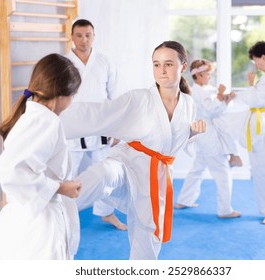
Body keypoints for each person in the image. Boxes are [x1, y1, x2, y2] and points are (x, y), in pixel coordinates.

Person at [60, 41, 206, 260]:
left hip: (155, 178)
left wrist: (192, 133)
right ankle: (54, 209)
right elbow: (99, 113)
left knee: (148, 238)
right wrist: (47, 119)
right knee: (103, 174)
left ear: (183, 67)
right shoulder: (140, 99)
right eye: (156, 65)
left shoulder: (188, 103)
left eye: (168, 64)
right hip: (127, 164)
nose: (161, 71)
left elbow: (173, 141)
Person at [0, 54, 83, 259]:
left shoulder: (31, 116)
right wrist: (60, 187)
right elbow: (8, 170)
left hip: (25, 222)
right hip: (39, 230)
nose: (72, 102)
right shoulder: (46, 122)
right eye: (73, 96)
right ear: (61, 95)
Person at [66, 19, 126, 230]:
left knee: (106, 171)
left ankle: (106, 212)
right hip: (72, 127)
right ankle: (63, 215)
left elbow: (115, 96)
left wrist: (118, 127)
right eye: (79, 35)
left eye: (88, 35)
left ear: (94, 36)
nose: (84, 40)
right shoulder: (63, 62)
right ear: (71, 36)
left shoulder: (104, 61)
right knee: (67, 173)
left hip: (101, 125)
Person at [175, 59, 241, 219]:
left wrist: (225, 100)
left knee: (197, 169)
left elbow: (215, 109)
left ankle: (184, 200)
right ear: (198, 75)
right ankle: (225, 210)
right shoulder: (197, 92)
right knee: (223, 173)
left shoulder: (204, 90)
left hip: (204, 134)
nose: (210, 77)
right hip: (208, 135)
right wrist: (220, 97)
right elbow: (211, 110)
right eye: (208, 74)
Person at [230, 41, 265, 224]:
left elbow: (257, 99)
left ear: (264, 57)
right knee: (259, 167)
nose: (257, 65)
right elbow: (256, 95)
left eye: (257, 61)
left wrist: (237, 95)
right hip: (258, 123)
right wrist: (249, 86)